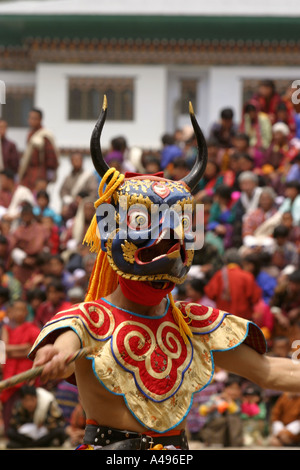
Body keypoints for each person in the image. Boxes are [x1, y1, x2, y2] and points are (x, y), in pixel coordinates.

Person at [25, 101, 300, 451]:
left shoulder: (194, 325)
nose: (166, 257)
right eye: (149, 243)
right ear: (113, 240)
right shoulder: (88, 320)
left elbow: (273, 372)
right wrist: (56, 354)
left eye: (175, 243)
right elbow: (65, 347)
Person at [0, 300, 40, 432]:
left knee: (26, 401)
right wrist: (22, 348)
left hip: (25, 373)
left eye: (22, 309)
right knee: (9, 405)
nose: (19, 313)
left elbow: (31, 352)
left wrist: (11, 351)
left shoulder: (32, 329)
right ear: (10, 312)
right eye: (16, 309)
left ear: (27, 312)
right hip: (9, 372)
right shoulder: (6, 328)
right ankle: (9, 431)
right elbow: (2, 349)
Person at [204, 248, 262, 321]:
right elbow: (255, 298)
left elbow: (210, 293)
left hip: (224, 319)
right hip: (243, 320)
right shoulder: (247, 276)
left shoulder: (219, 275)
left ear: (225, 261)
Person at [6, 384, 67, 449]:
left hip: (44, 435)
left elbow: (58, 422)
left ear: (36, 398)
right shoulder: (19, 406)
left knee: (60, 431)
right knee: (10, 432)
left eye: (32, 399)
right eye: (26, 400)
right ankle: (37, 444)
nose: (29, 403)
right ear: (22, 400)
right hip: (28, 437)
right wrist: (28, 427)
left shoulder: (47, 403)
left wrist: (44, 426)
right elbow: (15, 423)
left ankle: (28, 445)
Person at [18, 108, 59, 190]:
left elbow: (51, 159)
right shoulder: (30, 134)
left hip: (40, 174)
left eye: (34, 118)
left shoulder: (45, 135)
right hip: (28, 174)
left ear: (40, 119)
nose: (31, 120)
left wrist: (48, 177)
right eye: (30, 118)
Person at [198, 375, 243, 447]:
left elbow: (236, 411)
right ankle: (211, 441)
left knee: (233, 419)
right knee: (221, 420)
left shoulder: (238, 401)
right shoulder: (216, 397)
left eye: (237, 389)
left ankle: (234, 443)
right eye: (231, 388)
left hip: (230, 434)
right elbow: (202, 410)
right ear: (225, 389)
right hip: (214, 430)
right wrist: (210, 409)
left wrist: (229, 401)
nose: (234, 392)